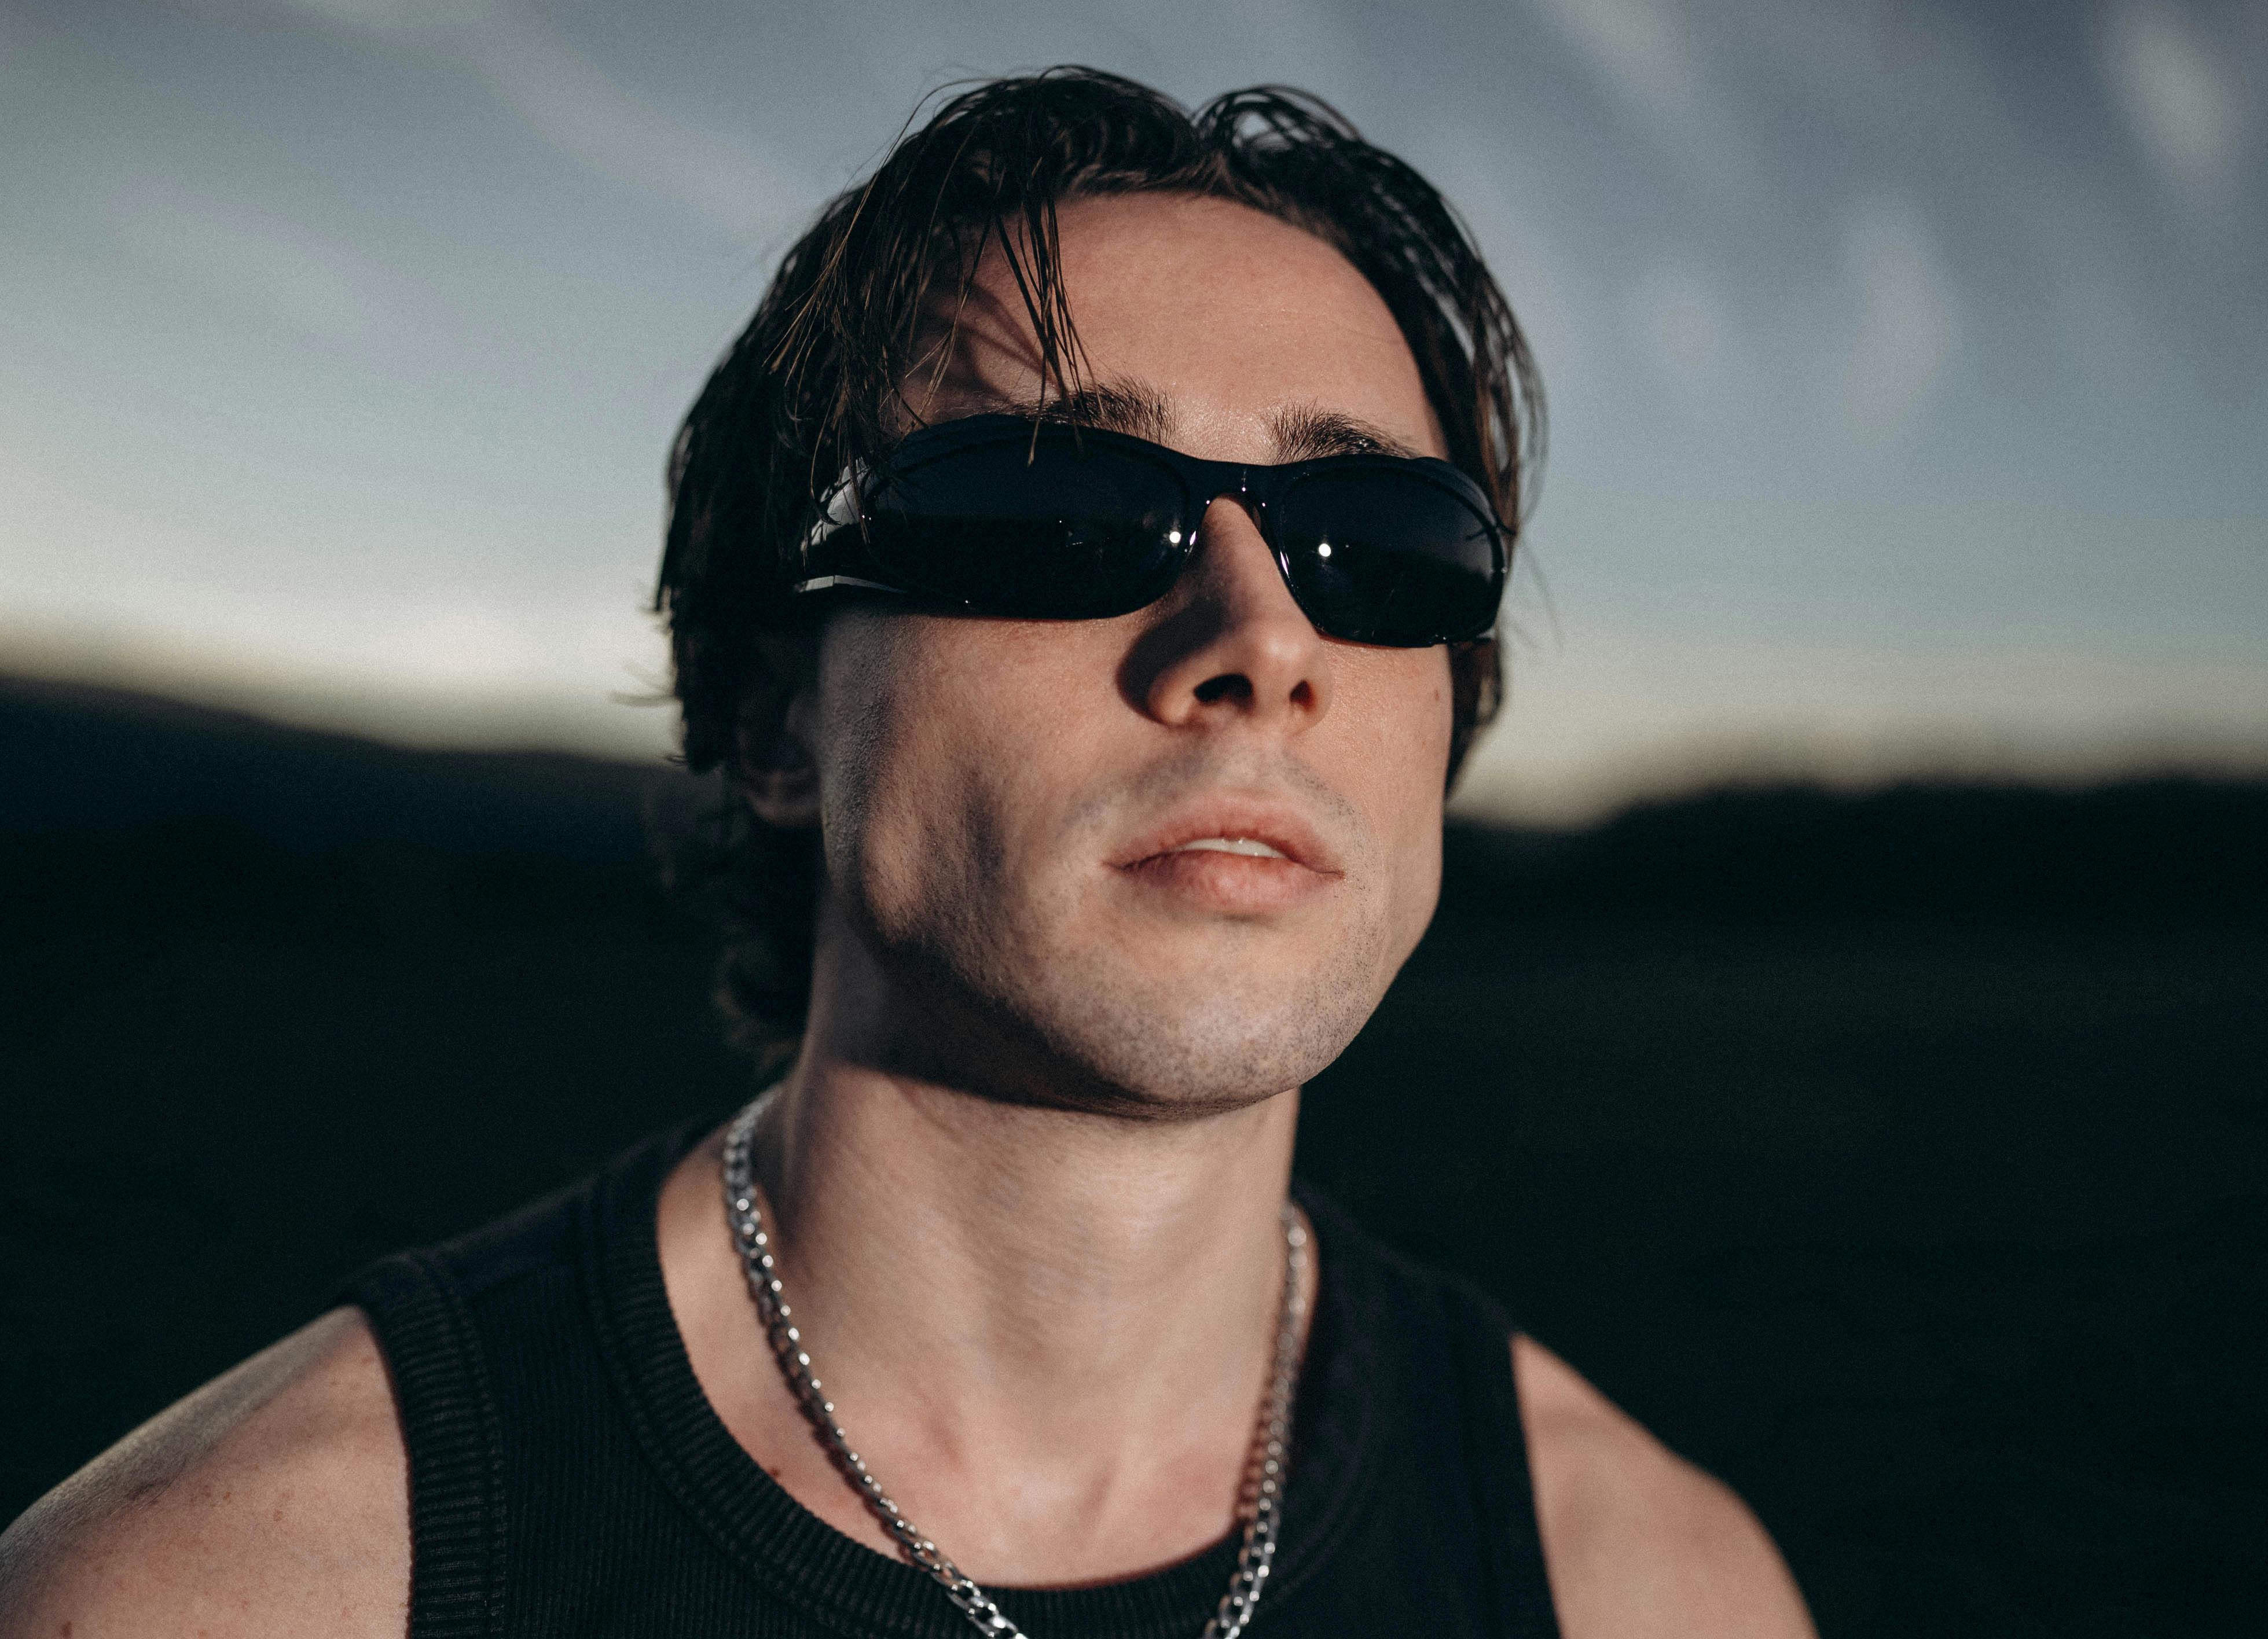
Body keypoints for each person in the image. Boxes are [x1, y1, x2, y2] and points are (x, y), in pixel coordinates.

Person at [0, 71, 1812, 1638]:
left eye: (1384, 541)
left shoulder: (1656, 1590)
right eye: (1055, 505)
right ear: (780, 718)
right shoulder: (233, 1591)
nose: (1259, 636)